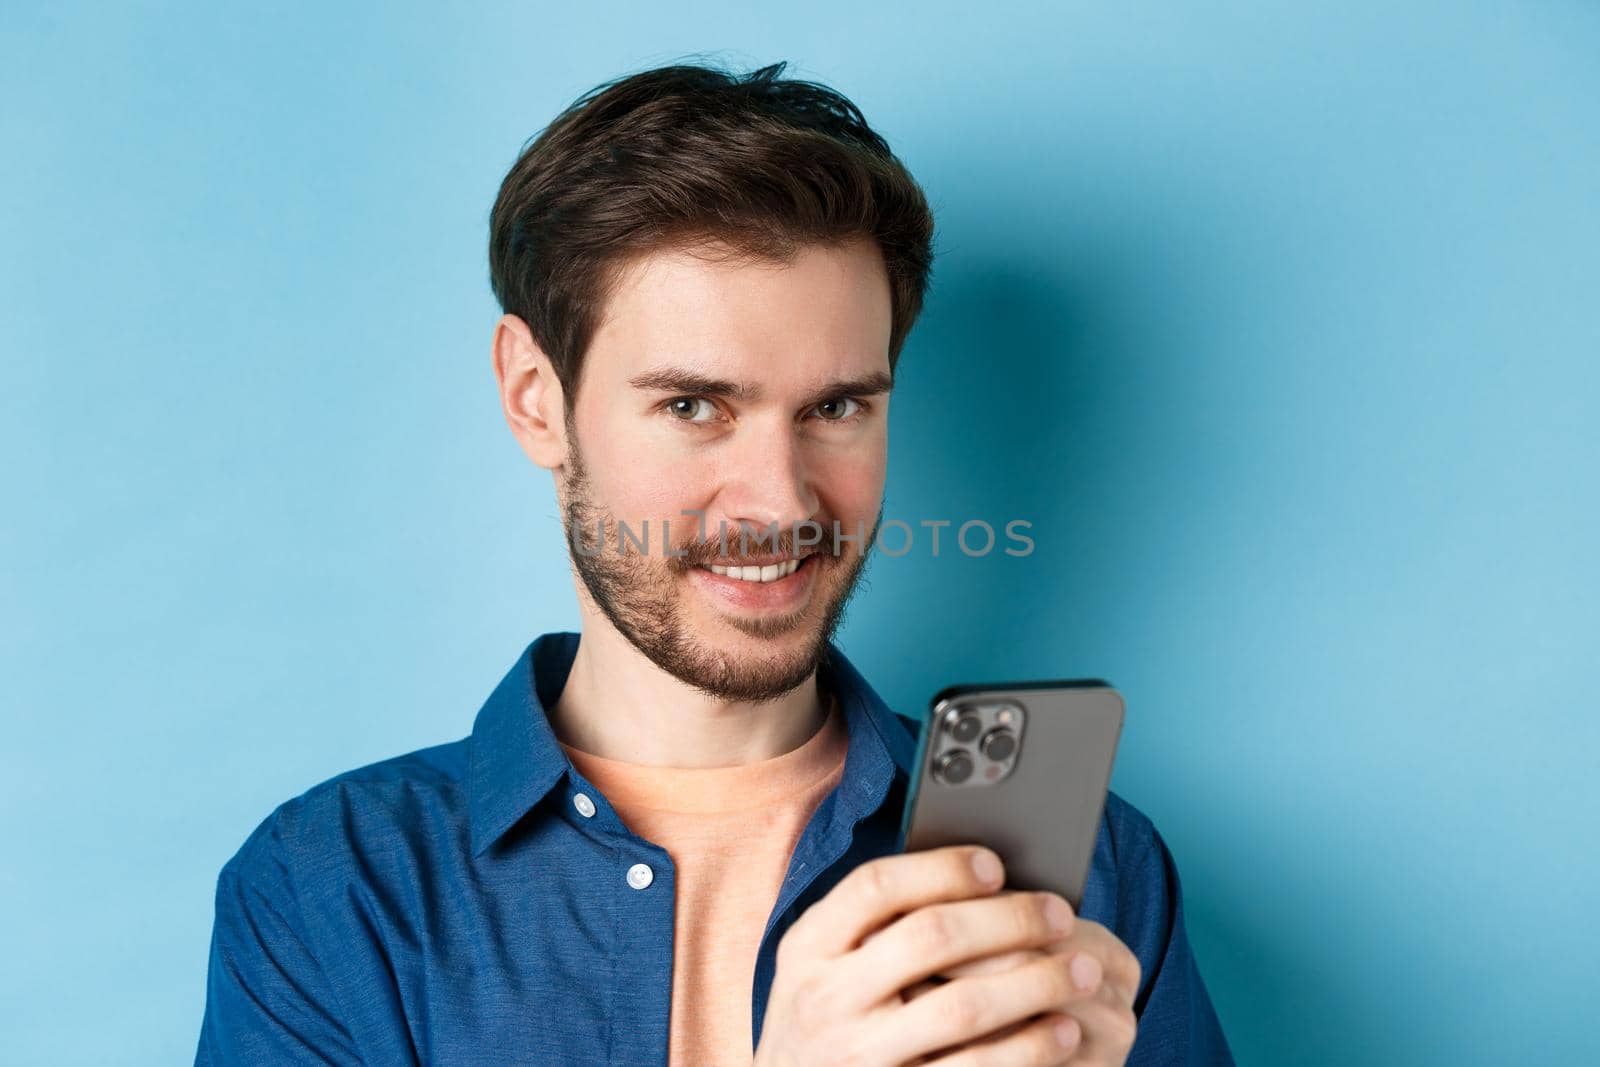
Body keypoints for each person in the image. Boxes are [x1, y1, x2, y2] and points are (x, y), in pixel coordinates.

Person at [196, 59, 1233, 1066]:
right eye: (692, 406)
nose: (778, 502)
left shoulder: (1097, 868)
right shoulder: (330, 889)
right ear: (533, 396)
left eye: (836, 408)